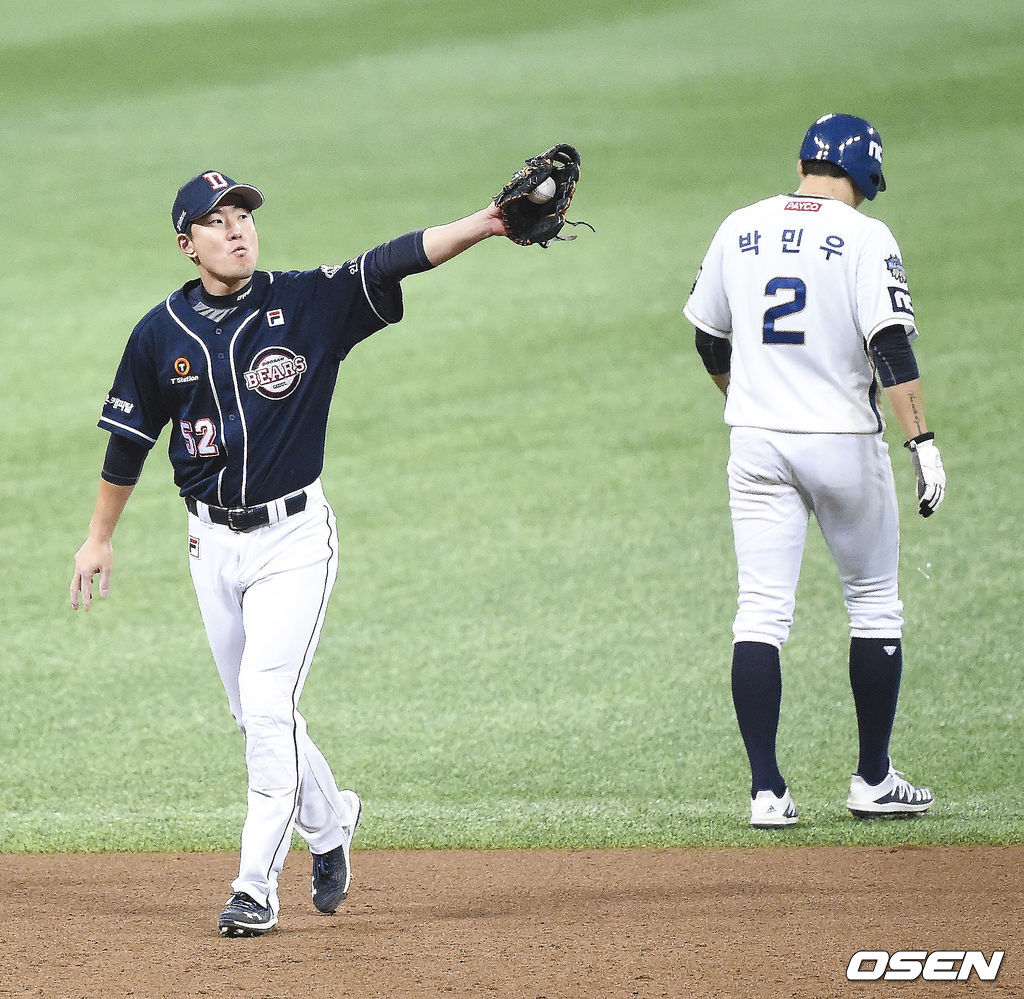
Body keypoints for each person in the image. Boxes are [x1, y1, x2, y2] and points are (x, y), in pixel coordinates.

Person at [70, 169, 513, 934]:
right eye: (218, 219)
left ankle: (255, 886)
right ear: (188, 244)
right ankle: (333, 820)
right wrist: (98, 536)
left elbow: (393, 259)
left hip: (295, 542)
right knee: (253, 714)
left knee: (271, 707)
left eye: (244, 213)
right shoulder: (158, 334)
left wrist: (491, 221)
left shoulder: (306, 302)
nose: (238, 227)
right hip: (208, 544)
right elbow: (129, 443)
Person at [683, 113, 946, 828]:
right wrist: (922, 439)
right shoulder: (864, 236)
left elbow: (707, 333)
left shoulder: (739, 226)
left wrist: (744, 399)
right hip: (841, 442)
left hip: (757, 444)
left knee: (760, 611)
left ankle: (767, 790)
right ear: (865, 173)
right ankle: (872, 778)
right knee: (874, 603)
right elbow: (889, 344)